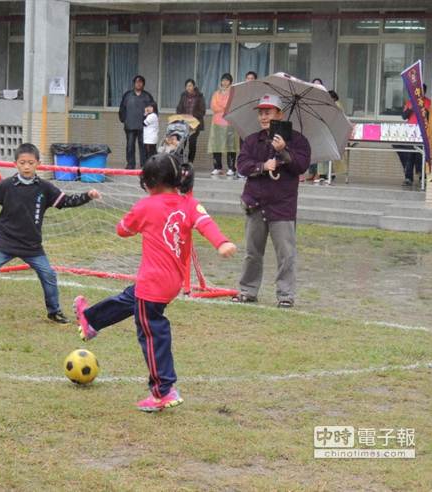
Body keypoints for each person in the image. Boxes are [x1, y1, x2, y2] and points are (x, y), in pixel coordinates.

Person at [72, 153, 236, 412]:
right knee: (131, 298)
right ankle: (91, 320)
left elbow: (122, 230)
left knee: (152, 334)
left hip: (153, 283)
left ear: (149, 182)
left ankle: (163, 391)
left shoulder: (145, 206)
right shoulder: (189, 203)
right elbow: (207, 224)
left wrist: (132, 222)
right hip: (172, 281)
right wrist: (222, 243)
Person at [0, 143, 102, 323]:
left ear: (38, 164)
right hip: (4, 241)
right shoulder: (5, 185)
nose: (27, 166)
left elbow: (65, 201)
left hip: (31, 245)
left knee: (48, 275)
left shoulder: (45, 187)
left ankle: (54, 311)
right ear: (15, 164)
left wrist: (88, 195)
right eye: (23, 163)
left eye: (31, 163)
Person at [234, 94, 311, 308]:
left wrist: (283, 151)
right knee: (252, 253)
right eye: (261, 112)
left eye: (268, 112)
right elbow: (242, 165)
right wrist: (262, 166)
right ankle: (248, 290)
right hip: (255, 203)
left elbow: (302, 165)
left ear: (279, 114)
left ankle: (285, 295)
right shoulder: (251, 140)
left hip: (282, 206)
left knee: (286, 255)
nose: (263, 117)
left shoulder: (298, 140)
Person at [396, 83, 431, 187]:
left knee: (421, 156)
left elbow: (429, 116)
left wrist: (421, 108)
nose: (419, 93)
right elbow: (404, 116)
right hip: (410, 133)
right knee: (409, 155)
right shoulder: (410, 102)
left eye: (422, 91)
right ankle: (408, 178)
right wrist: (411, 108)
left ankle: (422, 177)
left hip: (422, 132)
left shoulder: (428, 102)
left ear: (424, 92)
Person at [118, 75, 155, 169]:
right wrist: (124, 119)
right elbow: (122, 108)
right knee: (130, 146)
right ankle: (130, 164)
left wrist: (149, 122)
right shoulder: (127, 95)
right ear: (134, 84)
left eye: (140, 82)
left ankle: (144, 164)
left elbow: (153, 109)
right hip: (130, 125)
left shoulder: (147, 96)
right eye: (136, 82)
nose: (138, 84)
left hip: (143, 126)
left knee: (143, 147)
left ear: (143, 84)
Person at [208, 73, 237, 177]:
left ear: (230, 82)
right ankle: (217, 167)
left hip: (229, 122)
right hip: (217, 122)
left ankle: (231, 168)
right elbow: (213, 106)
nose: (224, 82)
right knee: (216, 145)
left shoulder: (233, 93)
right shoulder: (216, 93)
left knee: (230, 145)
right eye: (223, 80)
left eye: (227, 80)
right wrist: (223, 108)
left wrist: (222, 107)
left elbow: (231, 105)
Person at [176, 79, 206, 164]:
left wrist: (193, 117)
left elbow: (202, 110)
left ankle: (190, 161)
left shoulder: (199, 96)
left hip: (194, 124)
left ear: (194, 86)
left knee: (192, 143)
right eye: (187, 86)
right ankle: (180, 161)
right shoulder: (183, 95)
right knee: (182, 143)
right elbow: (179, 108)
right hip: (184, 124)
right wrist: (180, 116)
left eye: (190, 85)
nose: (188, 88)